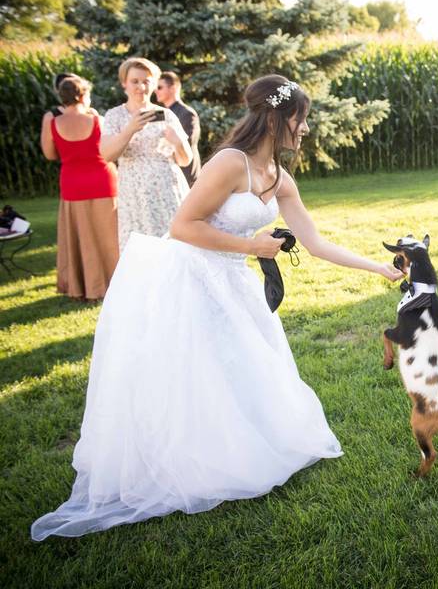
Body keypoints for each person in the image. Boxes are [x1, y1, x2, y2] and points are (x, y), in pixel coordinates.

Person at [31, 74, 404, 541]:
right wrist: (252, 248)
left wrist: (380, 270)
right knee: (195, 372)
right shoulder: (231, 162)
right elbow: (183, 225)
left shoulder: (279, 178)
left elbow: (316, 242)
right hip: (189, 275)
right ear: (277, 118)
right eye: (300, 119)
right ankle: (191, 460)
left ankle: (236, 447)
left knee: (239, 366)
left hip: (230, 279)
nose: (305, 128)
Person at [39, 74, 119, 300]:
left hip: (73, 184)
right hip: (103, 181)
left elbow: (49, 154)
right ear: (83, 95)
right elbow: (109, 149)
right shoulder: (96, 120)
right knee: (109, 237)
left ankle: (85, 288)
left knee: (81, 236)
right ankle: (115, 283)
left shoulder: (52, 121)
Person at [101, 57, 193, 251]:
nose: (141, 87)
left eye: (146, 81)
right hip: (135, 192)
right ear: (124, 83)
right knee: (141, 249)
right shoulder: (115, 116)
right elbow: (107, 155)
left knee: (175, 245)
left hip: (168, 187)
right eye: (135, 81)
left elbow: (185, 160)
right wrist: (130, 129)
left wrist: (178, 142)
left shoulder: (166, 114)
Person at [155, 71, 202, 187]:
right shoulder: (161, 114)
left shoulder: (187, 113)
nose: (156, 91)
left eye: (160, 87)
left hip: (185, 173)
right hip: (166, 174)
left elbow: (186, 145)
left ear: (173, 88)